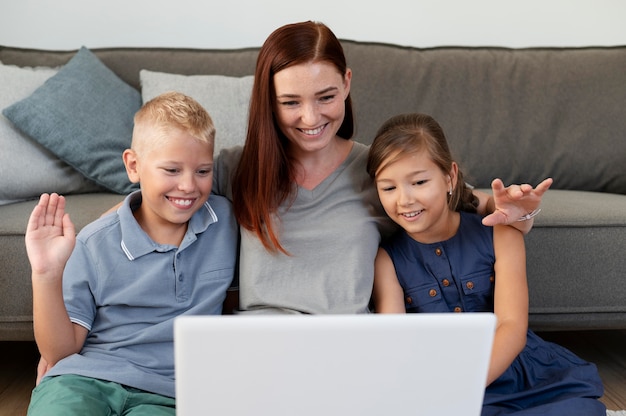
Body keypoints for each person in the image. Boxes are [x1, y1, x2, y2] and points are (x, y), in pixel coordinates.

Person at [211, 20, 552, 315]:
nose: (311, 117)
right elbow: (164, 200)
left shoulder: (380, 171)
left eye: (326, 97)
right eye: (290, 102)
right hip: (262, 345)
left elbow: (470, 204)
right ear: (268, 100)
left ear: (346, 83)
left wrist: (518, 213)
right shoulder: (234, 167)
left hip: (350, 346)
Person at [367, 112, 605, 415]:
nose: (404, 200)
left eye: (419, 182)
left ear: (450, 177)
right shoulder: (387, 258)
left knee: (580, 411)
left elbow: (512, 326)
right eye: (389, 188)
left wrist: (464, 386)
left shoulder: (500, 233)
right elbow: (394, 342)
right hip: (438, 377)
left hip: (514, 371)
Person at [24, 92, 238, 415]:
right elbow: (60, 351)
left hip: (170, 393)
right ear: (133, 166)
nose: (188, 186)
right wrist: (45, 275)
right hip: (85, 378)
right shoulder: (95, 242)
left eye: (202, 171)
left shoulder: (226, 224)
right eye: (171, 170)